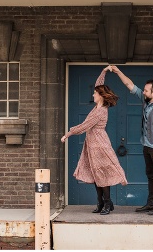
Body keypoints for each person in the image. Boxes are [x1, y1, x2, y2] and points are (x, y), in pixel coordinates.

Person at [61, 66, 128, 215]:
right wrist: (104, 71)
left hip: (99, 144)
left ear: (100, 96)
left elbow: (84, 126)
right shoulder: (98, 107)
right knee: (95, 174)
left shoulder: (100, 111)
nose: (93, 94)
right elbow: (99, 84)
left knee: (101, 174)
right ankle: (101, 203)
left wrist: (68, 134)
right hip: (92, 144)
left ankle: (107, 203)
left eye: (95, 93)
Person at [111, 65, 153, 215]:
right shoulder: (146, 102)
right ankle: (151, 204)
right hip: (146, 145)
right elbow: (130, 85)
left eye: (146, 90)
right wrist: (118, 71)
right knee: (151, 175)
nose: (143, 92)